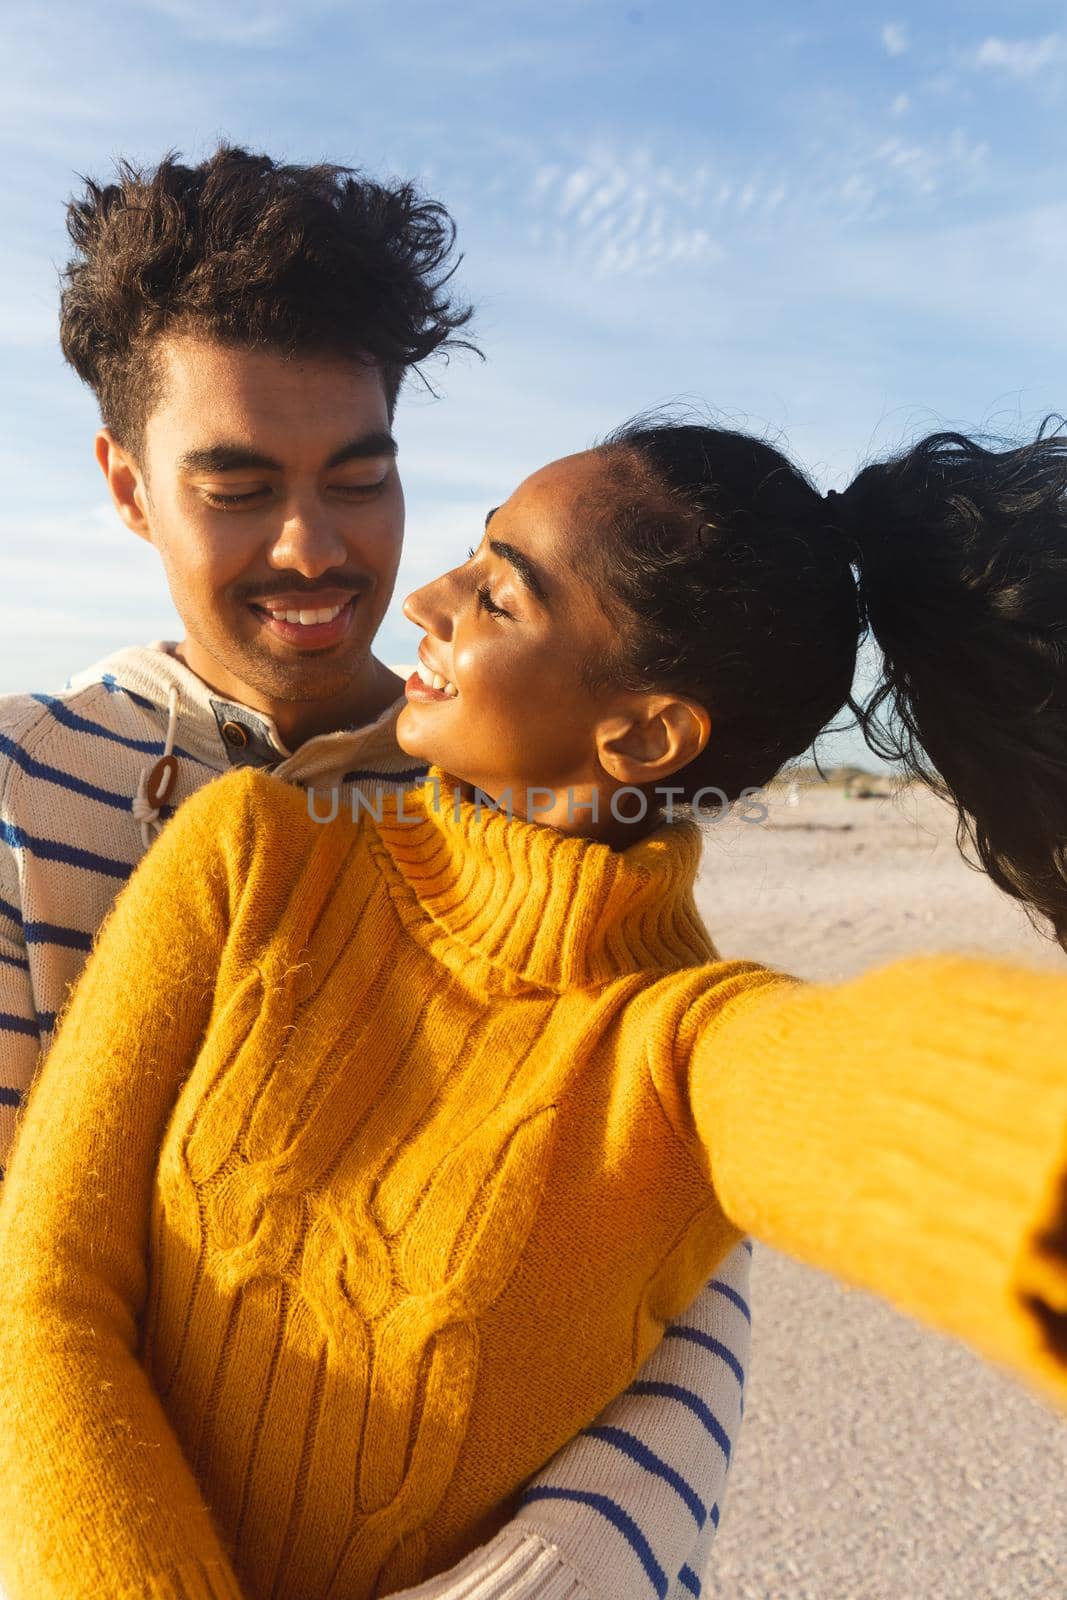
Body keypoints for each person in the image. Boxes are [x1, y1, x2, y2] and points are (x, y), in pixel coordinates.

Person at [0, 419, 1064, 1600]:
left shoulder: (682, 1051)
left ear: (645, 733)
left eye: (500, 595)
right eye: (474, 554)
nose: (428, 599)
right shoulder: (250, 856)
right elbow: (42, 1285)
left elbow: (888, 1096)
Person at [0, 147, 750, 1600]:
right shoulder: (26, 796)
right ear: (128, 487)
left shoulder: (532, 794)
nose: (312, 548)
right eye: (236, 487)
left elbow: (683, 1284)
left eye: (358, 478)